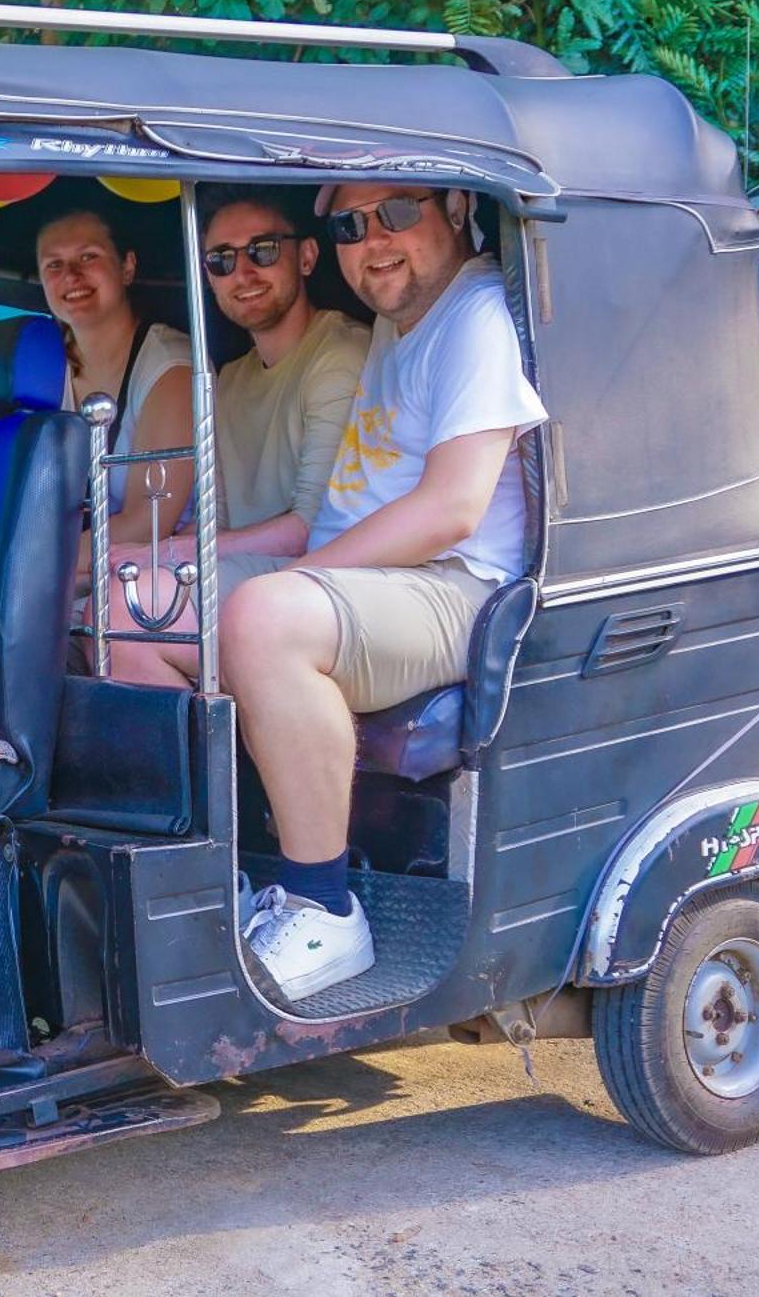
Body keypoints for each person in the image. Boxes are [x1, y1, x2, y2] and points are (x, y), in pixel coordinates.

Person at [225, 184, 548, 1002]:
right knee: (133, 607)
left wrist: (304, 576)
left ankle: (323, 908)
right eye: (349, 226)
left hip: (455, 587)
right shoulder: (396, 329)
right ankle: (227, 878)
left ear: (451, 208)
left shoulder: (474, 313)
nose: (374, 241)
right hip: (372, 581)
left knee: (266, 618)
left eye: (397, 214)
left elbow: (452, 510)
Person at [103, 186, 369, 686]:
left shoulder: (339, 354)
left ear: (306, 256)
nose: (241, 273)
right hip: (254, 573)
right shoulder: (230, 379)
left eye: (262, 251)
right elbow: (217, 520)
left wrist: (176, 553)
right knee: (111, 595)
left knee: (132, 606)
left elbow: (314, 527)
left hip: (325, 578)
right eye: (220, 260)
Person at [34, 206, 196, 557]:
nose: (71, 275)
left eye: (88, 257)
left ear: (127, 267)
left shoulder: (170, 364)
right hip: (75, 573)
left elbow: (148, 523)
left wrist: (30, 561)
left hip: (159, 575)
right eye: (54, 265)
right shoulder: (42, 366)